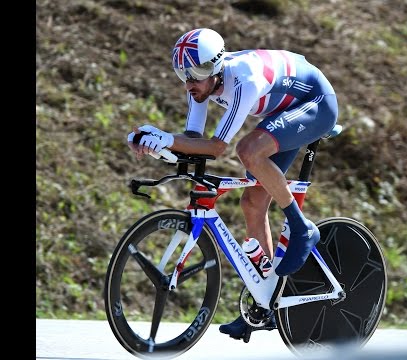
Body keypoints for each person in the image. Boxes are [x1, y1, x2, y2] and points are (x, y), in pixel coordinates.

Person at [127, 28, 338, 341]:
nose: (189, 83)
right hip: (285, 110)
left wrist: (168, 139)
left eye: (196, 74)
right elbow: (194, 140)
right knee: (252, 202)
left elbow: (216, 148)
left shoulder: (243, 79)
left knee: (249, 151)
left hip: (315, 102)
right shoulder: (199, 86)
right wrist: (153, 141)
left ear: (215, 67)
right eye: (182, 74)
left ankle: (301, 228)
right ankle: (266, 305)